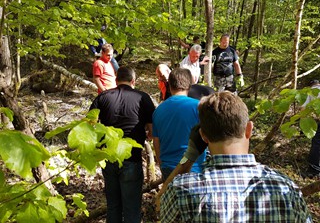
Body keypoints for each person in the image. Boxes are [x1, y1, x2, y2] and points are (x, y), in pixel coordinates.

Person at [160, 91, 313, 223]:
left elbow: (160, 204)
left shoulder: (182, 189)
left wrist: (189, 156)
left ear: (203, 136)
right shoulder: (286, 187)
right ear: (249, 129)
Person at [90, 67, 155, 223]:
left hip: (108, 158)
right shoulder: (143, 97)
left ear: (116, 80)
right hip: (131, 157)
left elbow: (89, 126)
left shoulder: (102, 97)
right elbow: (152, 131)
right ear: (133, 81)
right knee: (132, 208)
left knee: (113, 206)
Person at [152, 68, 206, 181]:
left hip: (169, 167)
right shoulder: (199, 107)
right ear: (190, 85)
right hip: (195, 168)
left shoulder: (159, 110)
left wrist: (162, 164)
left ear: (169, 85)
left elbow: (156, 141)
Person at [302, 79, 320, 178]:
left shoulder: (310, 92)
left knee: (317, 142)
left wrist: (303, 121)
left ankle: (314, 169)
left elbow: (303, 108)